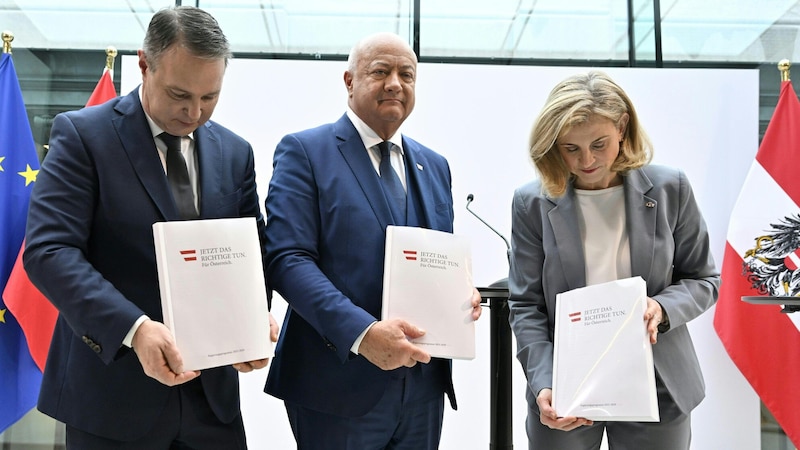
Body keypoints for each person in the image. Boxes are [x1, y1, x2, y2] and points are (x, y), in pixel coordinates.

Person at [23, 6, 276, 449]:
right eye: (180, 94)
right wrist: (135, 328)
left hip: (211, 407)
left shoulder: (235, 152)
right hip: (111, 400)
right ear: (144, 63)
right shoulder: (84, 137)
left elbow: (250, 251)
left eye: (210, 97)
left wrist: (249, 322)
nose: (194, 112)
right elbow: (49, 252)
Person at [263, 32, 482, 449]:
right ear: (349, 81)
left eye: (406, 74)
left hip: (422, 386)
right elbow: (287, 260)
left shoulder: (435, 166)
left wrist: (460, 293)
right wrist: (363, 333)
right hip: (336, 383)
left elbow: (435, 260)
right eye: (380, 72)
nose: (395, 83)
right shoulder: (305, 152)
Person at [507, 71, 720, 450]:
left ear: (622, 127)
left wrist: (661, 307)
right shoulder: (532, 203)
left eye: (599, 144)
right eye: (570, 148)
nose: (586, 160)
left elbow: (704, 280)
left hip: (657, 379)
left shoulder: (671, 188)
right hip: (566, 379)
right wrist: (544, 382)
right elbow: (526, 305)